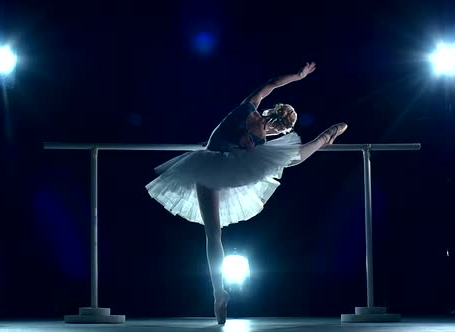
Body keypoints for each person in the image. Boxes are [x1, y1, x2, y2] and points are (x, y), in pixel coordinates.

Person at [145, 61, 347, 324]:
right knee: (289, 158)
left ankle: (218, 293)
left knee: (213, 235)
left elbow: (271, 84)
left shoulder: (247, 109)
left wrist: (298, 76)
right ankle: (323, 138)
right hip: (237, 173)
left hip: (208, 165)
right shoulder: (263, 138)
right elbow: (271, 150)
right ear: (280, 126)